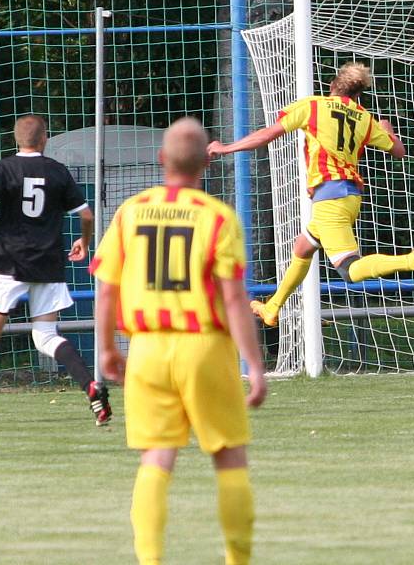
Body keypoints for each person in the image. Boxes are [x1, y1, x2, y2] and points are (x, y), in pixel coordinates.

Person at [91, 117, 266, 565]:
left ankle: (149, 560)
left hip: (147, 347)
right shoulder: (218, 216)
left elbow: (107, 286)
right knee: (228, 457)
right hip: (204, 345)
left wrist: (107, 348)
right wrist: (255, 365)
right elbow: (232, 296)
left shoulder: (132, 210)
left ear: (161, 159)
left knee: (156, 458)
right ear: (207, 161)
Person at [208, 61, 414, 327]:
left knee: (350, 270)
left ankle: (412, 259)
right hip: (347, 196)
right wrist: (387, 130)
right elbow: (398, 150)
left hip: (330, 197)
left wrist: (225, 148)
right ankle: (272, 308)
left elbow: (267, 135)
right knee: (303, 247)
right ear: (356, 94)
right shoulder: (363, 117)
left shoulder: (313, 106)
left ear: (332, 85)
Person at [0, 114, 111, 432]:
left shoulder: (3, 168)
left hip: (7, 263)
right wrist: (84, 240)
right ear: (44, 138)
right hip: (47, 262)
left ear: (15, 139)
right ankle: (90, 385)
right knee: (46, 336)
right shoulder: (57, 170)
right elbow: (87, 214)